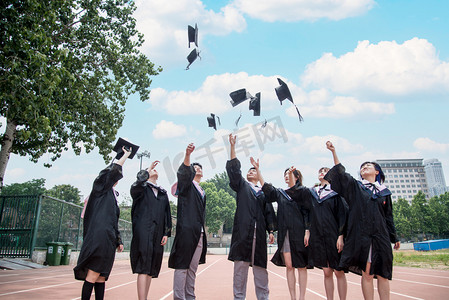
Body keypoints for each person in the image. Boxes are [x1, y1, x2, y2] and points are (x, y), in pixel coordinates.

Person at [325, 141, 400, 300]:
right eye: (362, 166)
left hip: (381, 236)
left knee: (383, 274)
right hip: (363, 235)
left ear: (377, 172)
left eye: (368, 166)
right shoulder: (357, 187)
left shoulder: (384, 192)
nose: (364, 167)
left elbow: (388, 216)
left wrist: (395, 237)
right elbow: (342, 175)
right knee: (367, 273)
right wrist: (334, 152)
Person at [74, 146, 131, 300]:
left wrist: (118, 240)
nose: (116, 178)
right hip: (98, 238)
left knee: (101, 277)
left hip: (108, 239)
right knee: (93, 275)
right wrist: (125, 156)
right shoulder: (99, 189)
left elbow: (113, 220)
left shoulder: (112, 196)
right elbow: (112, 172)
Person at [226, 134, 277, 300]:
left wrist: (271, 230)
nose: (251, 172)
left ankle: (263, 297)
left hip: (259, 233)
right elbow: (234, 172)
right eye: (249, 170)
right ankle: (238, 297)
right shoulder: (242, 186)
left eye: (254, 170)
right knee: (240, 268)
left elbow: (269, 210)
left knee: (260, 268)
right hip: (243, 232)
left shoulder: (263, 192)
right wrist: (233, 147)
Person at [261, 166, 311, 300]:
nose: (286, 176)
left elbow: (307, 211)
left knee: (301, 266)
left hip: (300, 233)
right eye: (285, 174)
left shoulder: (303, 192)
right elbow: (267, 189)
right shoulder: (280, 193)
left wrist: (307, 230)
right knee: (289, 266)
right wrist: (259, 170)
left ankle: (302, 297)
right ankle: (293, 297)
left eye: (289, 174)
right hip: (285, 234)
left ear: (297, 177)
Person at [168, 143, 207, 300]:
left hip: (200, 233)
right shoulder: (186, 185)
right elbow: (183, 173)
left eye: (199, 167)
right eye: (194, 167)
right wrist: (188, 155)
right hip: (186, 230)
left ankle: (190, 296)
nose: (197, 169)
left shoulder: (202, 191)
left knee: (192, 268)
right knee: (182, 266)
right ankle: (179, 297)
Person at [130, 160, 172, 300]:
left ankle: (145, 297)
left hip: (158, 232)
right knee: (143, 265)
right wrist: (148, 169)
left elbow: (167, 214)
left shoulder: (162, 193)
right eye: (150, 172)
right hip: (143, 230)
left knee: (150, 268)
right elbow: (138, 182)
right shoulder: (140, 189)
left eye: (155, 171)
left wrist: (166, 233)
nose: (155, 171)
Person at [309, 167, 348, 300]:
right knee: (326, 272)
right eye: (320, 171)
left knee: (338, 271)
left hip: (334, 235)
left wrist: (341, 235)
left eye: (325, 171)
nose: (322, 172)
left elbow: (342, 215)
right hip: (319, 236)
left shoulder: (336, 192)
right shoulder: (314, 193)